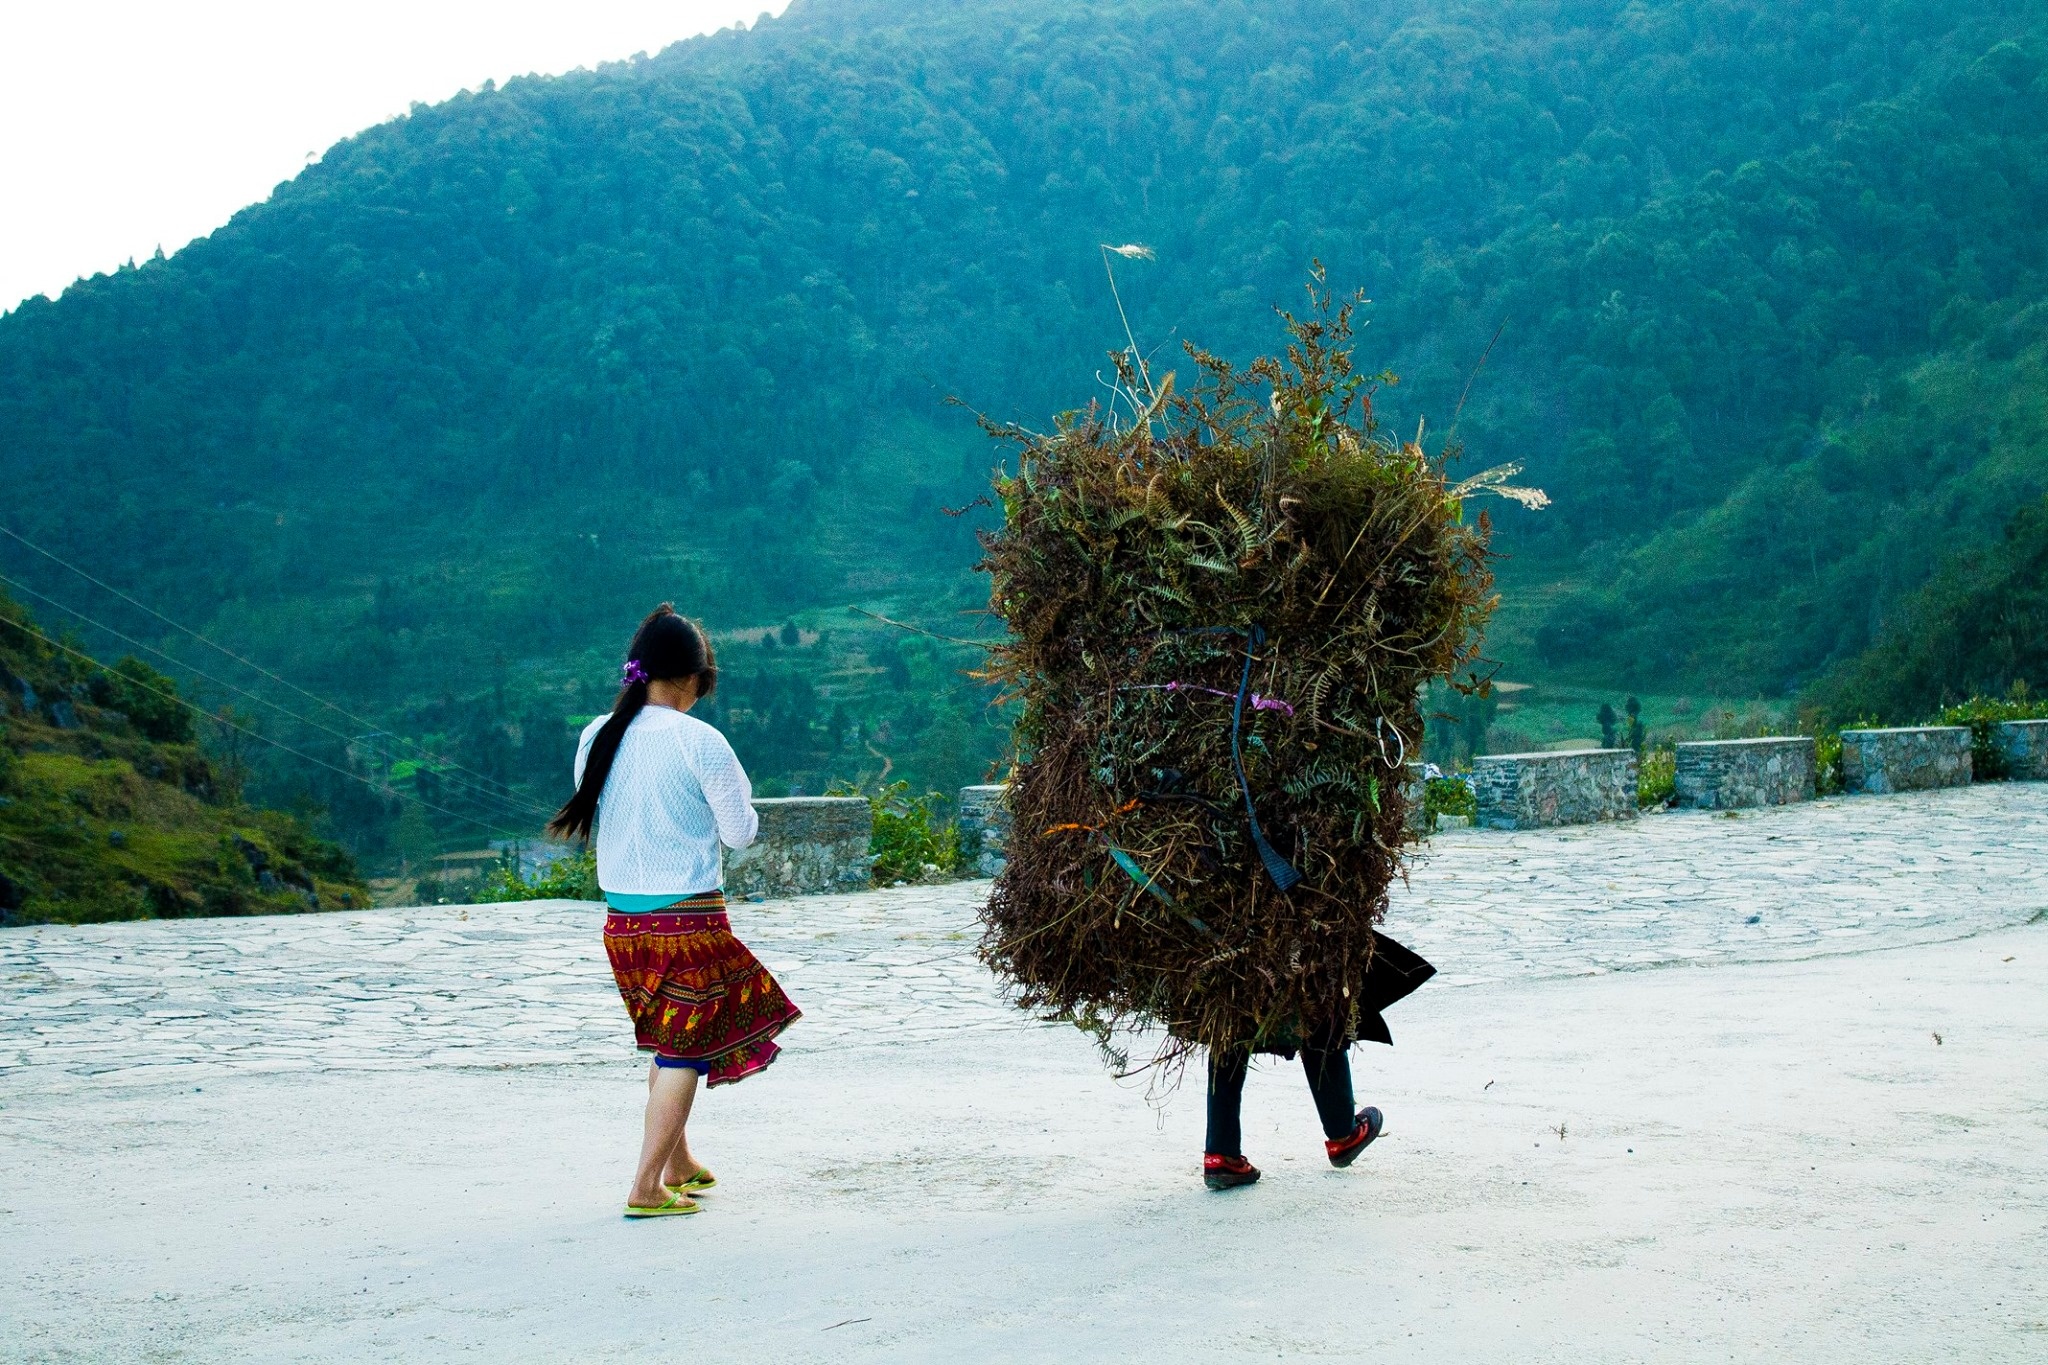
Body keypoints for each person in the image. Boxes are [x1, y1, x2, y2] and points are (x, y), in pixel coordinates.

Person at [548, 604, 799, 1218]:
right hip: (687, 920)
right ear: (693, 677)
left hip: (623, 924)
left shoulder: (596, 734)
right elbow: (740, 833)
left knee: (669, 1038)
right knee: (684, 1050)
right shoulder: (700, 741)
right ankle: (644, 1186)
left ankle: (679, 1162)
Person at [1201, 931, 1434, 1190]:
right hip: (1286, 915)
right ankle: (1343, 1135)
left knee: (1231, 1014)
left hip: (1224, 927)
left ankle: (1220, 1153)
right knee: (1319, 987)